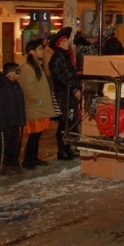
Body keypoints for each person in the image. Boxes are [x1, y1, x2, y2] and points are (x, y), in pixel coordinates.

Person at [0, 63, 26, 176]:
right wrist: (0, 123)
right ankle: (5, 165)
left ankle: (14, 163)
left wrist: (22, 119)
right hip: (6, 122)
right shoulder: (3, 87)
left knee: (15, 143)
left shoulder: (16, 86)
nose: (20, 74)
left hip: (15, 121)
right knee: (6, 144)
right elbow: (0, 107)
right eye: (17, 71)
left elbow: (20, 104)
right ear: (10, 73)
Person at [19, 40, 55, 170]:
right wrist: (38, 99)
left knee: (37, 134)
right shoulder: (28, 68)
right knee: (34, 135)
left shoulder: (36, 65)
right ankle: (28, 160)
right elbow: (29, 88)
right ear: (31, 51)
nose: (42, 51)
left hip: (39, 107)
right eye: (39, 49)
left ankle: (33, 158)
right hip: (35, 107)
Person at [49, 27, 78, 161]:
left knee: (70, 122)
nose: (68, 43)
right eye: (65, 41)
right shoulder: (57, 58)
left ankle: (67, 148)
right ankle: (62, 150)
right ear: (59, 44)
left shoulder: (66, 56)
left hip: (68, 94)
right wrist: (74, 89)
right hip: (62, 95)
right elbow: (61, 78)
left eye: (67, 40)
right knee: (64, 122)